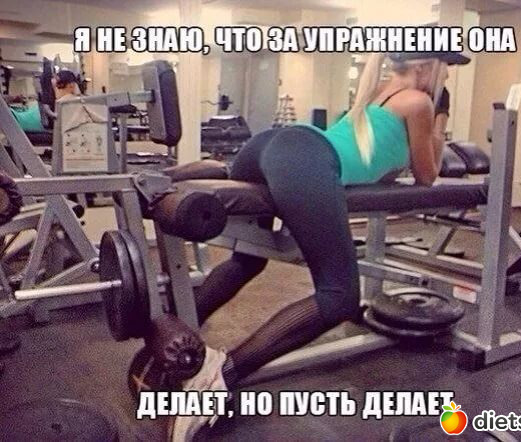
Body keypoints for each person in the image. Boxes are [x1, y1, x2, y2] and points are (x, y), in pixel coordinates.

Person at [167, 51, 469, 440]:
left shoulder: (373, 94)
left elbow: (374, 162)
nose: (447, 79)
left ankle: (170, 340)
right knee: (340, 296)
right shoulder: (419, 102)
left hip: (266, 146)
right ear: (427, 67)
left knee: (248, 261)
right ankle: (217, 375)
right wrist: (441, 121)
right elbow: (428, 175)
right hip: (302, 157)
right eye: (447, 70)